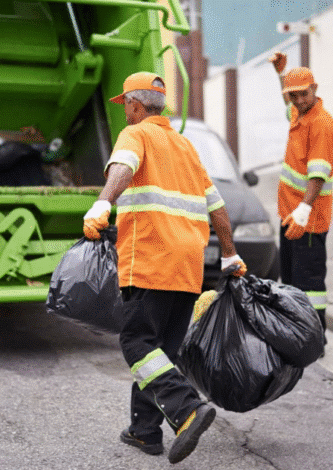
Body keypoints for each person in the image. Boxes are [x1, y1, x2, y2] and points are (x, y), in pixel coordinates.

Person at [82, 71, 247, 464]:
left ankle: (187, 407)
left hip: (150, 259)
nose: (125, 112)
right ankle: (145, 433)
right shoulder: (186, 147)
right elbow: (218, 208)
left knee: (137, 343)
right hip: (188, 267)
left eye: (125, 106)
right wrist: (229, 254)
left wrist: (103, 202)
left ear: (137, 106)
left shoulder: (136, 135)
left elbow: (122, 168)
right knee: (160, 354)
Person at [269, 52, 333, 336]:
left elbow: (318, 174)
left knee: (310, 283)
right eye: (294, 95)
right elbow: (288, 103)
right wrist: (280, 74)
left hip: (307, 220)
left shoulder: (321, 124)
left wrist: (303, 210)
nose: (298, 100)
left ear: (315, 90)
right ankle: (296, 332)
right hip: (291, 216)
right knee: (292, 280)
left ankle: (314, 336)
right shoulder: (300, 114)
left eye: (303, 94)